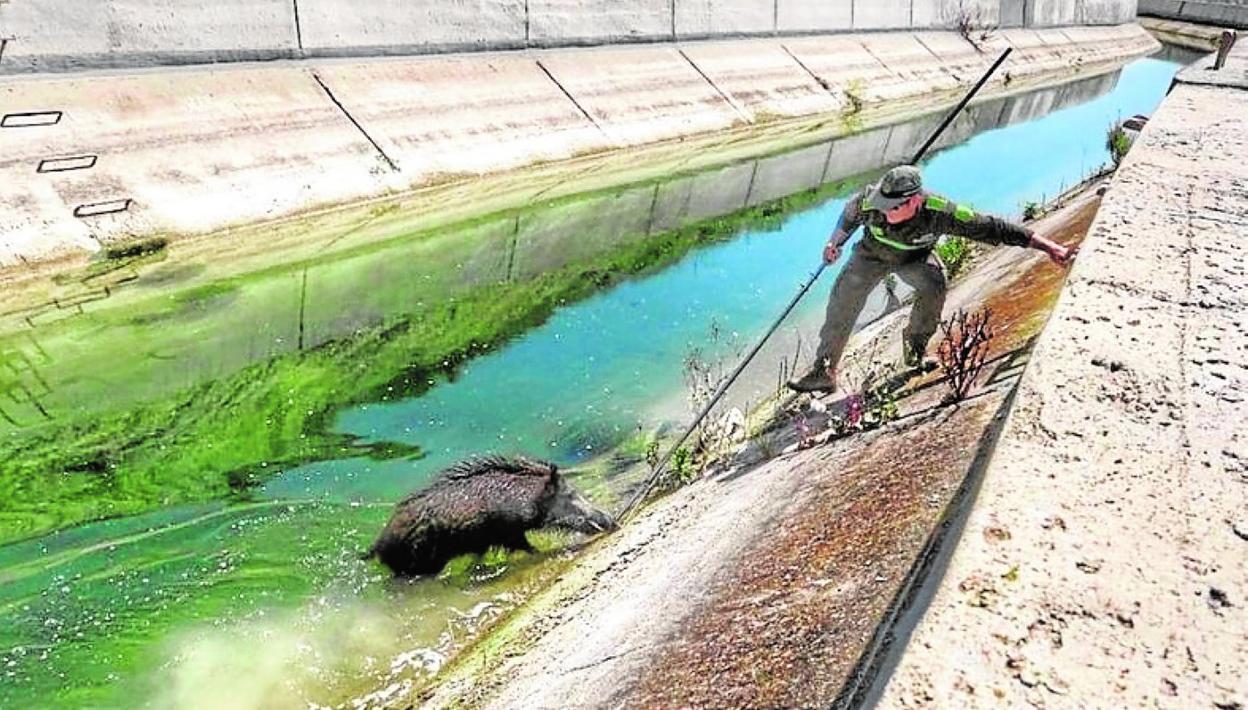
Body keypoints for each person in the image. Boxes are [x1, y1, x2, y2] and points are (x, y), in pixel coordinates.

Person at [787, 165, 1076, 393]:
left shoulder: (942, 212)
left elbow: (995, 228)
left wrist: (1052, 248)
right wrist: (833, 242)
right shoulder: (870, 200)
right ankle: (824, 371)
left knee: (934, 286)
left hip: (914, 258)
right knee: (843, 302)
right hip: (870, 255)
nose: (884, 212)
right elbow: (848, 217)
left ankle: (915, 354)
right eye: (882, 206)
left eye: (893, 208)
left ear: (914, 202)